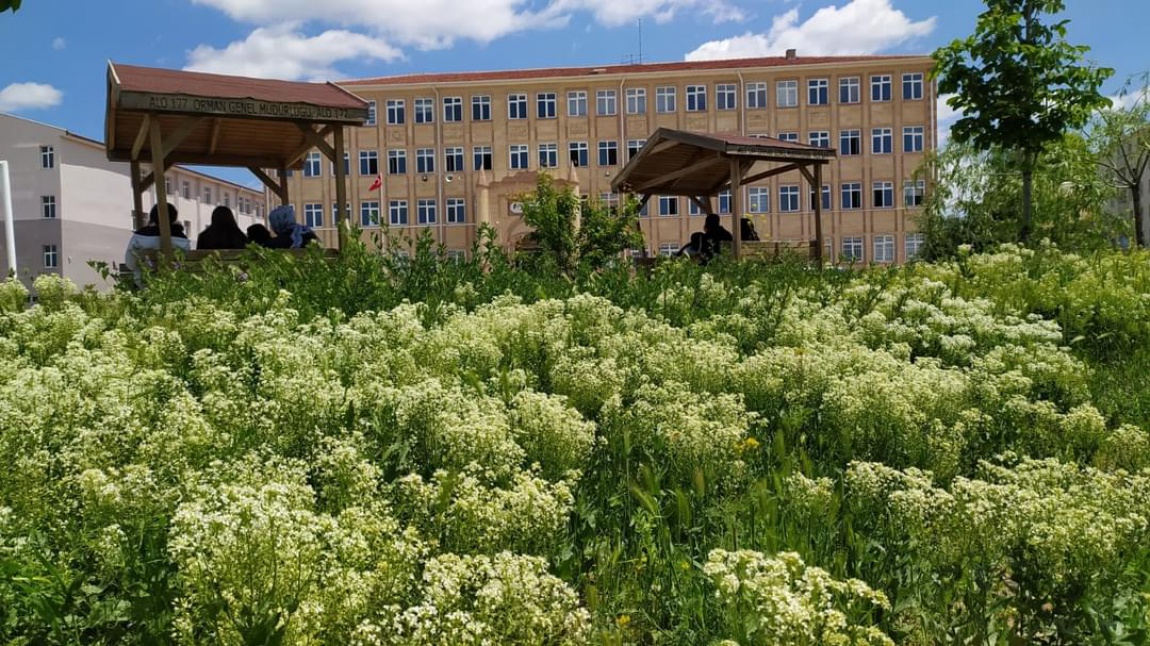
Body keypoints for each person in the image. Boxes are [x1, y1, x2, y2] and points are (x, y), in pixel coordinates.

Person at [123, 202, 190, 283]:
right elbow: (187, 264)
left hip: (144, 283)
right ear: (174, 217)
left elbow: (130, 263)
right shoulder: (183, 239)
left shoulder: (139, 237)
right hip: (174, 283)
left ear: (152, 217)